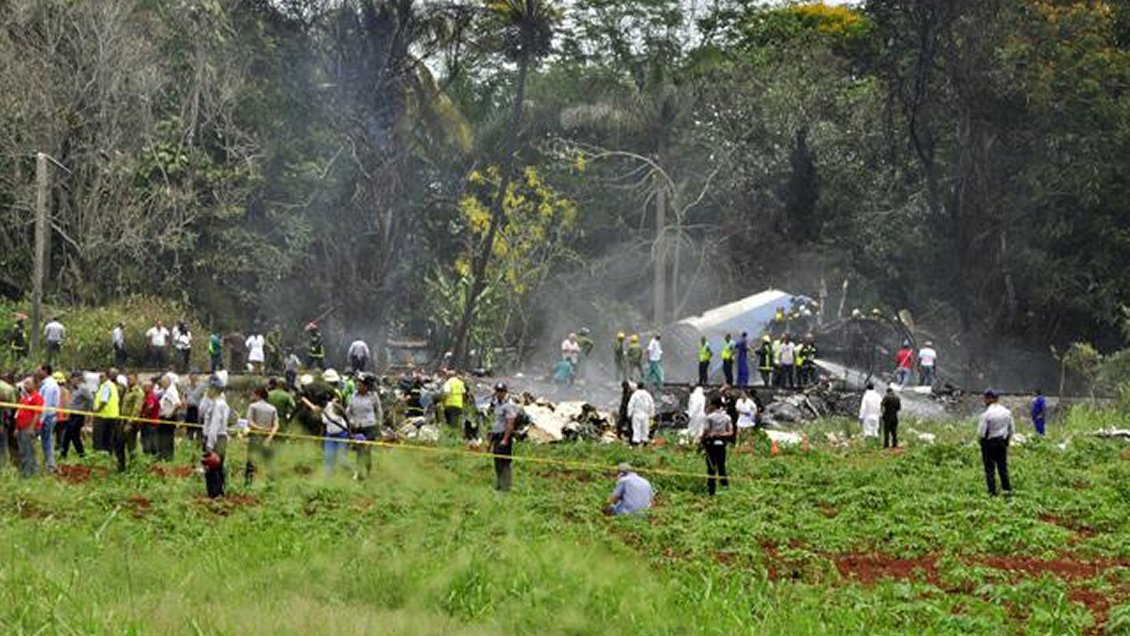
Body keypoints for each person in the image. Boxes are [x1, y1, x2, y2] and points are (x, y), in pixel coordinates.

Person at [199, 375, 231, 498]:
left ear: (214, 390)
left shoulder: (217, 405)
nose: (207, 391)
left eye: (209, 388)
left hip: (215, 438)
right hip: (221, 438)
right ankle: (220, 492)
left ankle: (214, 494)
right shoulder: (222, 404)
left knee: (212, 466)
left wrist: (209, 445)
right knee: (219, 466)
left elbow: (214, 425)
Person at [978, 389, 1014, 496]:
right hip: (1002, 441)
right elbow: (1011, 429)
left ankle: (992, 492)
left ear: (990, 399)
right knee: (1003, 467)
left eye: (985, 398)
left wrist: (982, 442)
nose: (984, 400)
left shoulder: (986, 414)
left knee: (990, 469)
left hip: (989, 442)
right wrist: (1007, 440)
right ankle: (1007, 489)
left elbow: (981, 432)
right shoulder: (1007, 412)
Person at [346, 374, 382, 478]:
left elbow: (378, 411)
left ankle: (367, 470)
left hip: (370, 427)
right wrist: (350, 421)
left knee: (366, 449)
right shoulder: (354, 396)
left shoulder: (373, 396)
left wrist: (379, 424)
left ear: (366, 386)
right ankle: (359, 472)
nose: (358, 386)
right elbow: (349, 410)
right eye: (357, 384)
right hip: (358, 427)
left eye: (361, 384)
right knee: (359, 450)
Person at [245, 386, 279, 484]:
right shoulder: (272, 408)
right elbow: (276, 425)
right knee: (269, 462)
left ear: (258, 395)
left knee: (251, 462)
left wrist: (260, 429)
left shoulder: (253, 406)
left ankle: (248, 484)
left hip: (255, 438)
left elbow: (250, 422)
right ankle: (271, 484)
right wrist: (269, 437)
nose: (252, 396)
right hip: (268, 439)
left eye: (254, 394)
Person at [489, 383, 518, 492]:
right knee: (497, 461)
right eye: (497, 391)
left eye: (501, 391)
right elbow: (496, 421)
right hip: (496, 435)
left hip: (504, 436)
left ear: (505, 392)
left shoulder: (509, 404)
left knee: (504, 461)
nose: (499, 393)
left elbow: (510, 423)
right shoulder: (497, 403)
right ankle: (499, 483)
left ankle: (506, 486)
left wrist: (505, 439)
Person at [702, 396, 733, 495]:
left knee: (711, 467)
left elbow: (706, 431)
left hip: (711, 444)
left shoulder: (710, 417)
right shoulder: (727, 417)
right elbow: (730, 432)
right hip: (722, 443)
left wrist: (702, 439)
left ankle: (711, 489)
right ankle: (725, 486)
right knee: (721, 465)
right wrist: (721, 434)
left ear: (714, 405)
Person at [15, 377, 44, 477]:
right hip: (21, 428)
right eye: (25, 383)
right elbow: (18, 413)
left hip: (29, 428)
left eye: (28, 383)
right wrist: (16, 428)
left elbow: (37, 414)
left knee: (29, 450)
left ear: (34, 385)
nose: (25, 386)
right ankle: (24, 471)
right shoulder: (24, 398)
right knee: (22, 450)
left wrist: (31, 428)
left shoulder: (37, 397)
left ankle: (31, 472)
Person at [36, 366, 60, 472]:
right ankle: (49, 464)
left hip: (47, 417)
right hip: (47, 416)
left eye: (39, 370)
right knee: (46, 441)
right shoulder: (46, 384)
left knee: (47, 441)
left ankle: (50, 465)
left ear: (45, 371)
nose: (37, 372)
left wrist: (40, 421)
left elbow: (45, 404)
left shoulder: (49, 385)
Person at [60, 372, 88, 459]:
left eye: (72, 379)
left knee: (74, 434)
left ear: (77, 378)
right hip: (72, 414)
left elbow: (90, 400)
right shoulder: (75, 389)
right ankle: (63, 454)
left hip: (79, 414)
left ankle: (81, 454)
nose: (71, 381)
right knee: (67, 434)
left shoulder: (83, 389)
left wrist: (86, 411)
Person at [322, 392, 350, 476]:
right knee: (328, 456)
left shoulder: (335, 406)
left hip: (342, 434)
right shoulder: (320, 409)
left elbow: (346, 416)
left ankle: (354, 471)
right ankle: (328, 476)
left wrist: (350, 431)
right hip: (330, 434)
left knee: (342, 459)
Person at [92, 370, 120, 453]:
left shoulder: (106, 386)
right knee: (109, 439)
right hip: (112, 415)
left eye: (102, 377)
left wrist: (97, 410)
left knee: (100, 438)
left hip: (103, 416)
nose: (100, 379)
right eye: (99, 377)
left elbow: (104, 401)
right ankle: (109, 454)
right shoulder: (112, 385)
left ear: (107, 377)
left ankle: (101, 455)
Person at [156, 373, 180, 461]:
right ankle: (163, 455)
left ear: (168, 382)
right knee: (162, 438)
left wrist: (170, 414)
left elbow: (178, 404)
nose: (162, 384)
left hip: (168, 418)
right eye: (162, 382)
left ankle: (168, 457)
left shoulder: (171, 391)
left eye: (164, 382)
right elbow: (157, 393)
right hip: (163, 417)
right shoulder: (165, 390)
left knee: (167, 438)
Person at [139, 378, 161, 456]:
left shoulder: (151, 396)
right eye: (143, 387)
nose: (143, 388)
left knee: (149, 443)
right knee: (146, 441)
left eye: (145, 387)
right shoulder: (145, 396)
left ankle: (150, 458)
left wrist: (143, 415)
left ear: (150, 387)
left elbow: (150, 406)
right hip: (146, 423)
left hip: (150, 423)